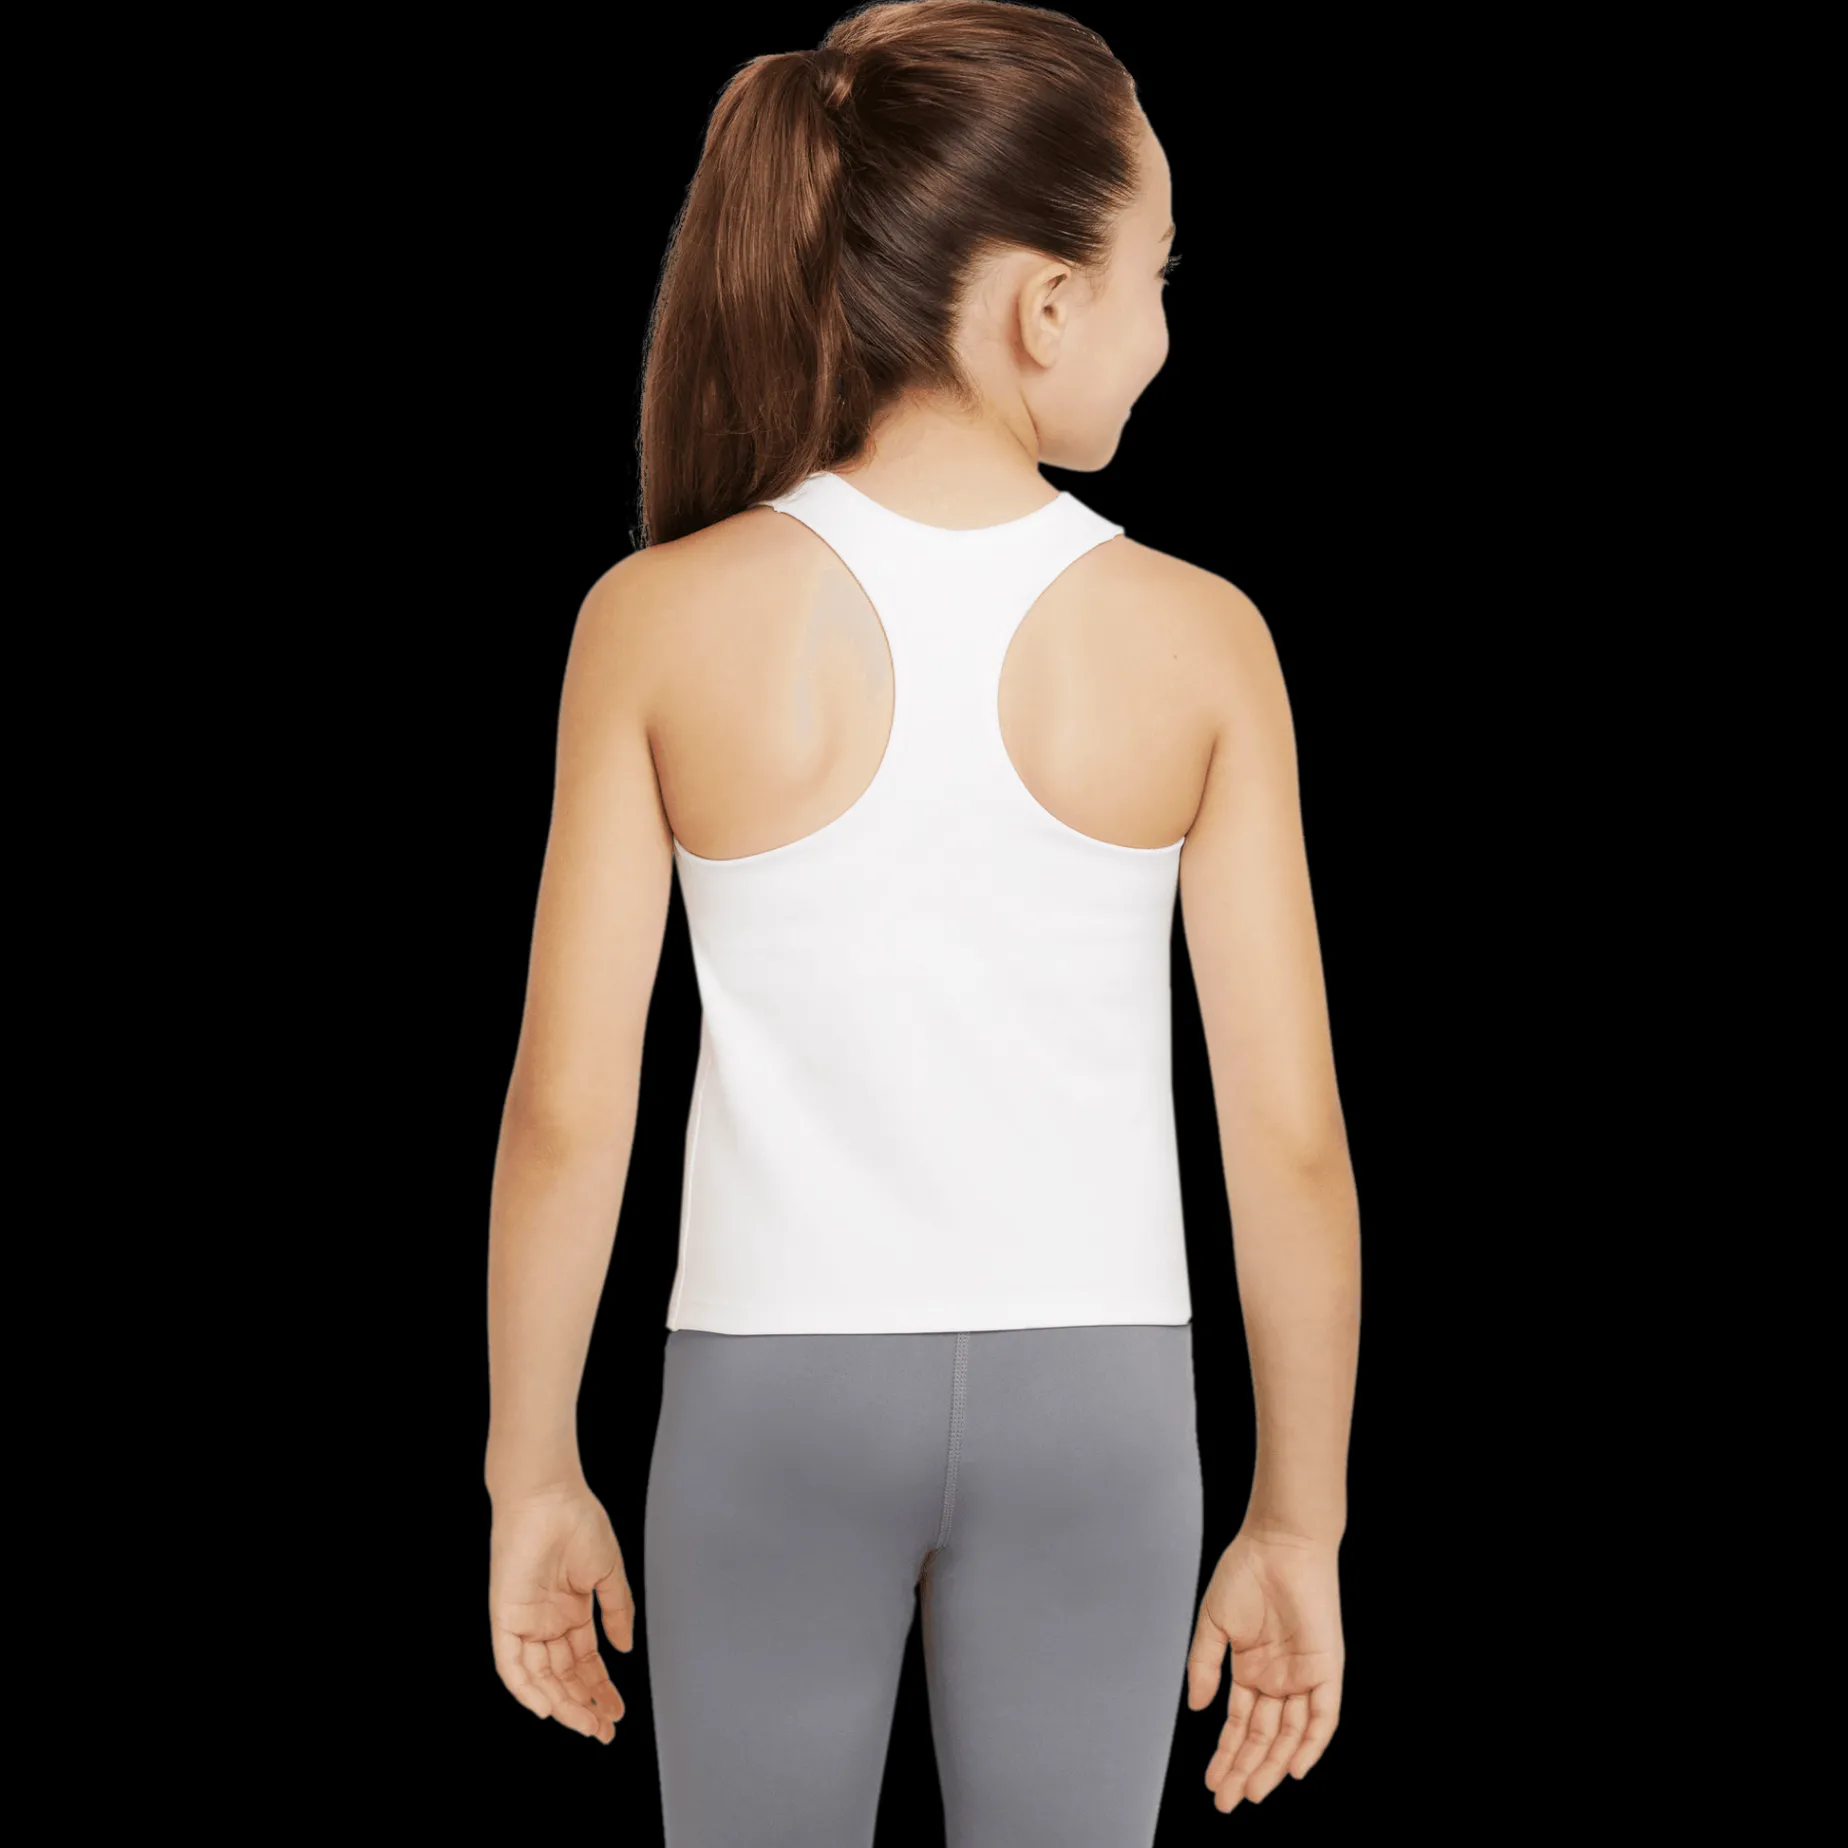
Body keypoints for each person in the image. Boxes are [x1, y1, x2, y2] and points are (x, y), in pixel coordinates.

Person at [484, 2, 1360, 1841]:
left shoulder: (655, 620)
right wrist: (1299, 1518)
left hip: (766, 1397)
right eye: (1159, 274)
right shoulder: (1204, 641)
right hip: (1102, 1403)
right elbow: (1285, 1144)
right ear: (1046, 305)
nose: (1165, 327)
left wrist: (531, 1471)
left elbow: (569, 1110)